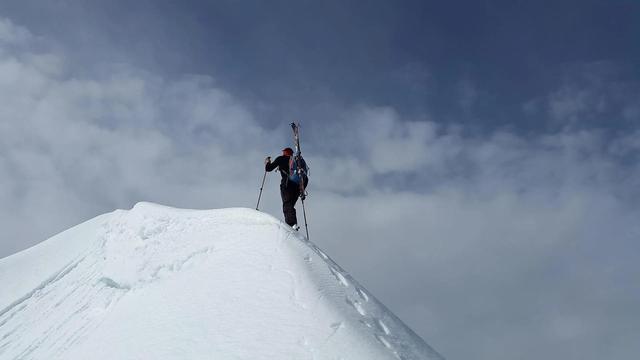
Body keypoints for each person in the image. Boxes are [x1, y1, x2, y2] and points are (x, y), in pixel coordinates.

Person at [265, 147, 308, 229]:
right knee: (290, 205)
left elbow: (268, 169)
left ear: (285, 152)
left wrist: (267, 162)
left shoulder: (281, 158)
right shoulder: (296, 162)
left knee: (287, 204)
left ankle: (291, 225)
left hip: (287, 184)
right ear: (291, 153)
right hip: (297, 187)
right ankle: (293, 224)